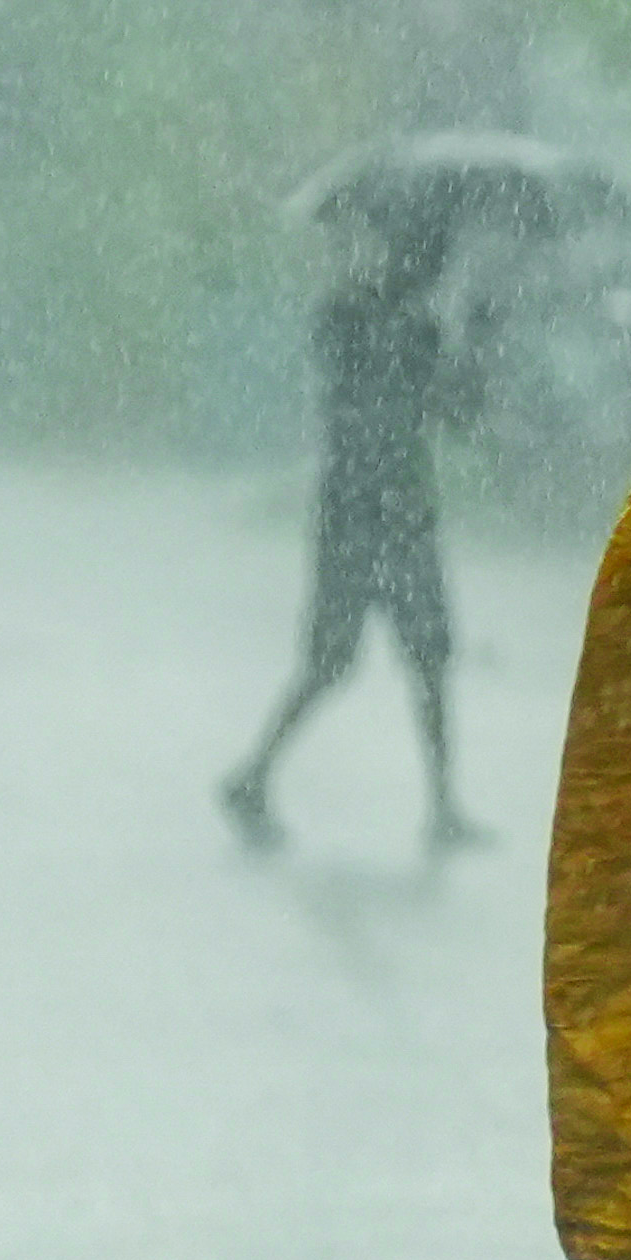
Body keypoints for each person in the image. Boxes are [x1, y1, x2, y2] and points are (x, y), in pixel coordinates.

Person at [222, 198, 480, 851]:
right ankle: (255, 774)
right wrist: (421, 350)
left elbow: (458, 416)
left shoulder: (416, 328)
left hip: (394, 511)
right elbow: (356, 401)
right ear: (406, 255)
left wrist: (469, 343)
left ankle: (442, 804)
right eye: (428, 257)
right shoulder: (349, 315)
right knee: (335, 659)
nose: (432, 271)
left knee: (425, 658)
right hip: (362, 511)